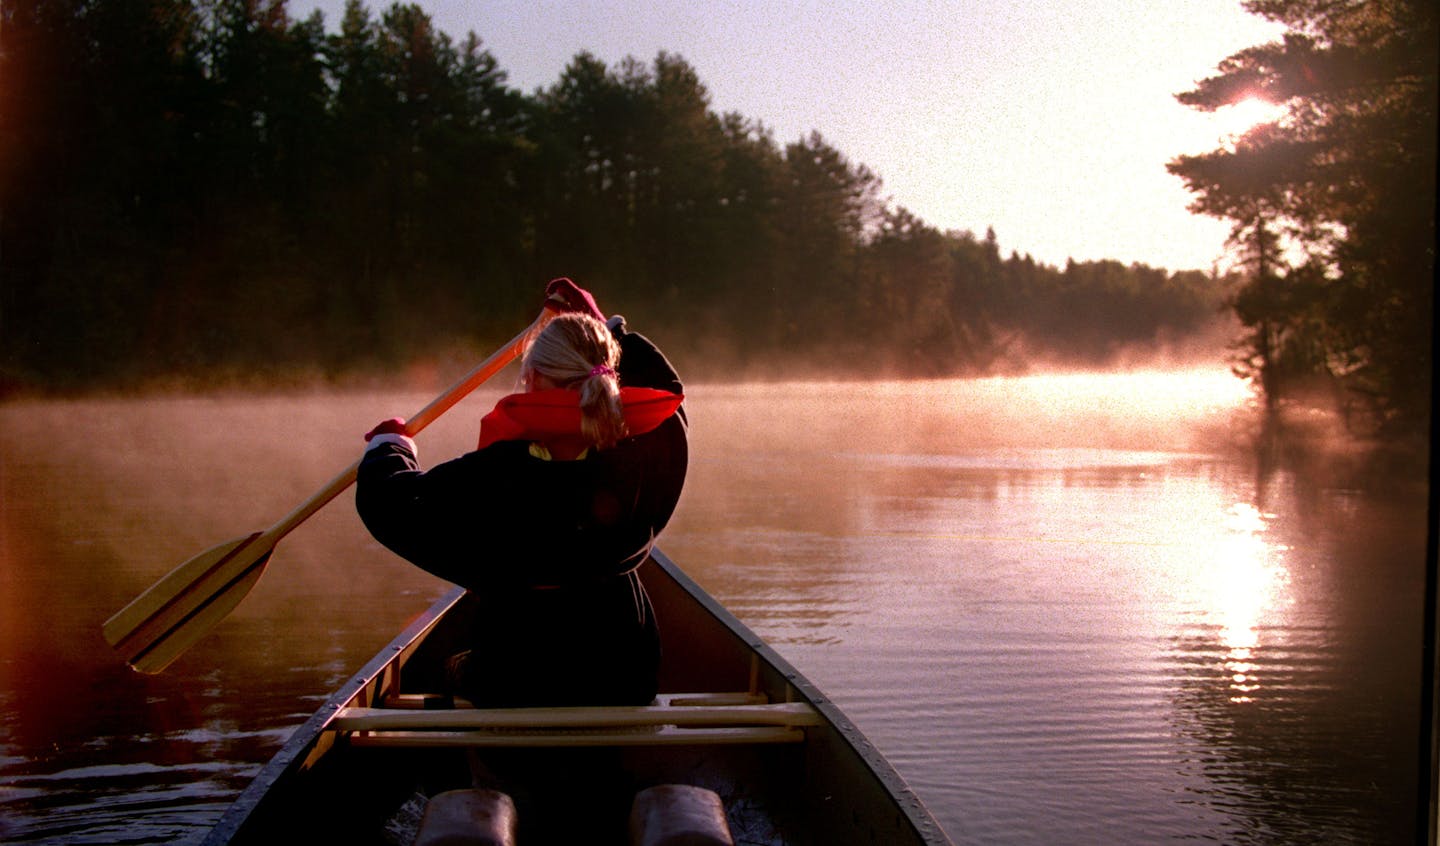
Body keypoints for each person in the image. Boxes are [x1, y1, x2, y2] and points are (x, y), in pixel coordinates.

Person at [355, 279, 687, 707]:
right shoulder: (639, 468)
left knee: (454, 669)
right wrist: (611, 328)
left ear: (531, 379)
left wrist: (390, 448)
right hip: (622, 677)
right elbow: (672, 404)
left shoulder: (494, 476)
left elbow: (391, 505)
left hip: (514, 682)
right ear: (609, 380)